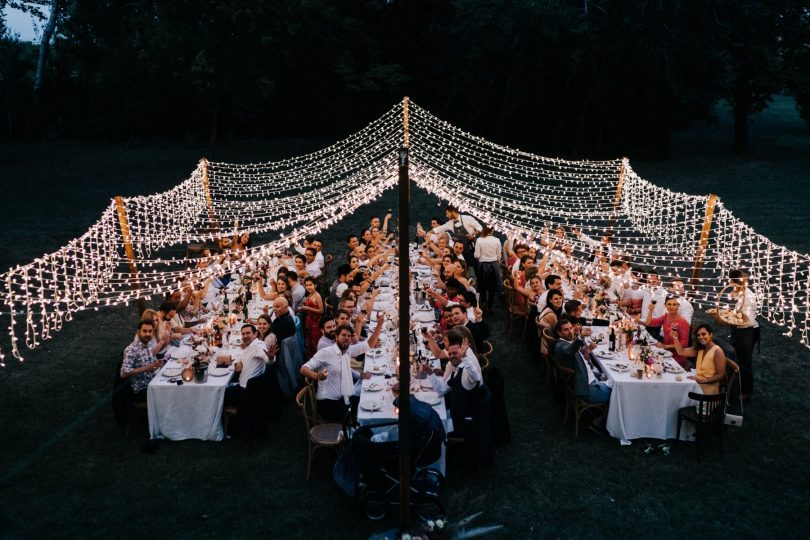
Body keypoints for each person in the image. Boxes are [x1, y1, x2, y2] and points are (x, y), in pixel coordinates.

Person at [300, 325, 372, 422]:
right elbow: (304, 369)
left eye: (349, 336)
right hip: (328, 404)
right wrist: (317, 376)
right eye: (343, 335)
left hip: (343, 398)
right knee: (358, 414)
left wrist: (379, 325)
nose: (346, 338)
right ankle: (349, 434)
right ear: (336, 337)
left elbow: (368, 345)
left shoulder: (348, 351)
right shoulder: (326, 352)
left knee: (365, 402)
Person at [420, 328, 483, 436]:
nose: (452, 356)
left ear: (462, 352)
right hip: (453, 412)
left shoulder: (466, 371)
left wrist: (464, 358)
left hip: (462, 421)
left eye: (455, 353)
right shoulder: (456, 369)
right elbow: (441, 390)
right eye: (450, 354)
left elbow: (476, 377)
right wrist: (430, 373)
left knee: (428, 426)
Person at [215, 324, 267, 409]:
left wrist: (271, 358)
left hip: (246, 392)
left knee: (218, 392)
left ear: (255, 334)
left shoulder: (258, 346)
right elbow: (243, 359)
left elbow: (267, 359)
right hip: (247, 387)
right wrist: (240, 362)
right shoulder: (251, 345)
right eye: (243, 334)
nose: (245, 336)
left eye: (248, 333)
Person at [671, 324, 727, 395]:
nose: (700, 337)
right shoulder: (700, 349)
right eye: (698, 335)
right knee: (676, 387)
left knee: (679, 392)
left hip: (707, 390)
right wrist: (675, 337)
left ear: (711, 334)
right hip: (696, 384)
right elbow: (680, 351)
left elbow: (721, 375)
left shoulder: (718, 351)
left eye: (703, 334)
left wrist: (702, 381)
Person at [728, 269, 758, 400]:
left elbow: (746, 320)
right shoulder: (742, 292)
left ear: (734, 281)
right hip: (740, 329)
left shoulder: (748, 297)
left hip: (747, 331)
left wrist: (732, 318)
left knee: (744, 362)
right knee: (739, 359)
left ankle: (746, 392)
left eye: (731, 281)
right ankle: (737, 386)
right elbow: (733, 298)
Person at [642, 295, 691, 369]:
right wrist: (650, 311)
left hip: (677, 357)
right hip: (665, 353)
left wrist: (664, 346)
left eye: (674, 305)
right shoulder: (665, 316)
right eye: (669, 304)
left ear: (678, 306)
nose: (672, 307)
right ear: (665, 305)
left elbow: (684, 344)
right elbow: (648, 323)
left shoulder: (683, 322)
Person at [120, 321, 164, 401]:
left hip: (153, 381)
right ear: (138, 332)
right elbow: (124, 373)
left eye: (150, 331)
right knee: (169, 392)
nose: (147, 334)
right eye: (144, 331)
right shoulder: (131, 349)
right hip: (142, 388)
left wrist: (156, 364)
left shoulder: (148, 344)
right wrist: (147, 368)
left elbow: (149, 365)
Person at [474, 225, 502, 315]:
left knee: (482, 287)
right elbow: (499, 256)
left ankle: (483, 303)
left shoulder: (479, 240)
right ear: (493, 229)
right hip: (494, 266)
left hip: (483, 266)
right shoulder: (497, 240)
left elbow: (477, 255)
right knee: (492, 289)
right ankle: (490, 307)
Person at [298, 276, 324, 359]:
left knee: (315, 342)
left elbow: (321, 311)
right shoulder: (310, 294)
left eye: (310, 285)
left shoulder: (317, 296)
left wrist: (308, 308)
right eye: (307, 285)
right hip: (309, 321)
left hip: (315, 322)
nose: (308, 287)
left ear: (315, 285)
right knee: (309, 342)